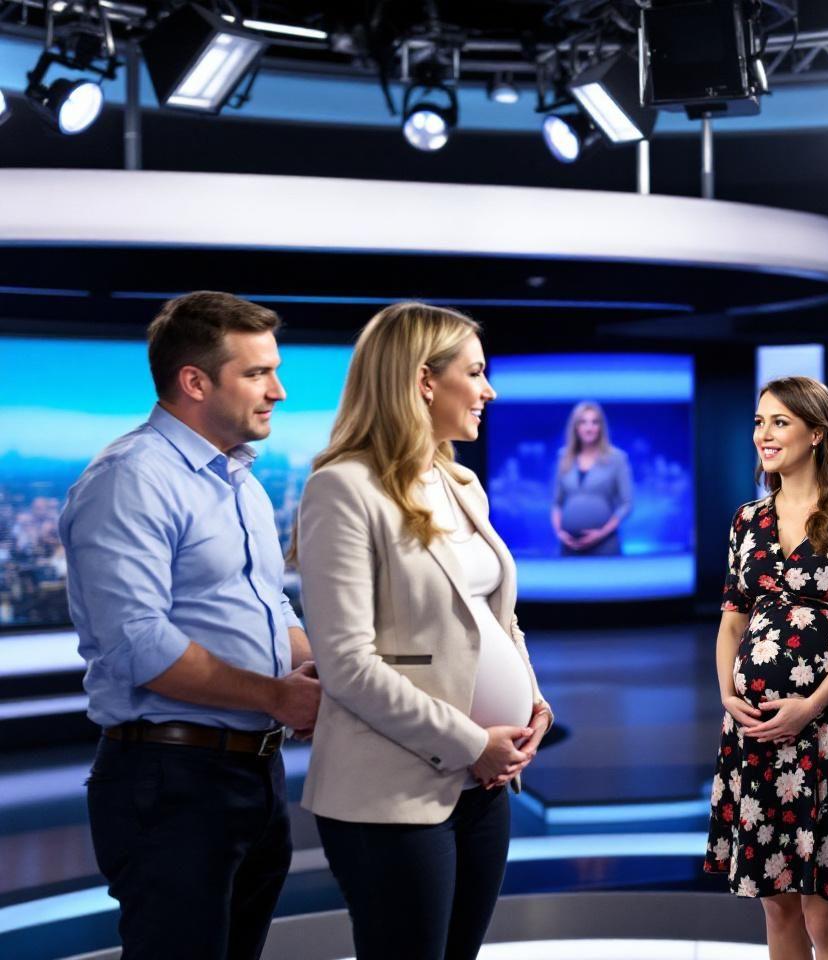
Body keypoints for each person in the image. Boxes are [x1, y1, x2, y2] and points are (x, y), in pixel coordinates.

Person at [58, 291, 321, 960]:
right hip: (170, 780)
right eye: (257, 373)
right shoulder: (132, 478)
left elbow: (267, 609)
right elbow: (141, 645)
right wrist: (272, 695)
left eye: (275, 370)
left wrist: (326, 670)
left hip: (253, 777)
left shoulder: (241, 483)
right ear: (195, 381)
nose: (279, 391)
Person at [295, 302, 553, 960]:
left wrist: (532, 700)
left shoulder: (462, 482)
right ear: (423, 382)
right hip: (391, 790)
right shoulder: (342, 489)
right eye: (476, 371)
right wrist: (471, 741)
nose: (489, 389)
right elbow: (348, 664)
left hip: (487, 784)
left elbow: (495, 616)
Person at [703, 376, 828, 960]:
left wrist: (811, 705)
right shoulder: (748, 519)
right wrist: (727, 695)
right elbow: (731, 622)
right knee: (777, 908)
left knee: (823, 913)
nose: (765, 434)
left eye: (780, 422)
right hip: (757, 731)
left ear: (817, 433)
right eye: (760, 422)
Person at [551, 400, 633, 555]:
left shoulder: (617, 458)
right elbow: (557, 503)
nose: (589, 428)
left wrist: (600, 534)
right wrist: (560, 533)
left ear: (601, 427)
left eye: (595, 422)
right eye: (583, 422)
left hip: (605, 545)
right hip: (569, 546)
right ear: (576, 427)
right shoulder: (563, 457)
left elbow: (626, 505)